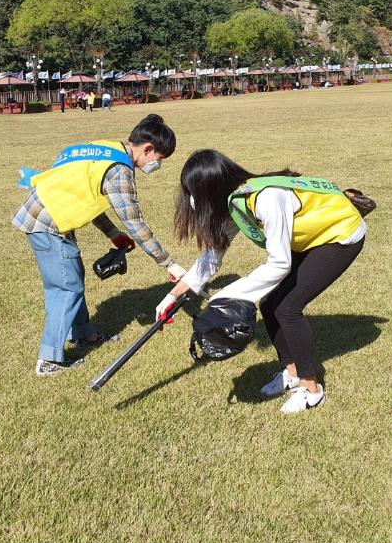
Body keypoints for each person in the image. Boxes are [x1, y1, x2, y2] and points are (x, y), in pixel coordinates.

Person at [154, 150, 366, 413]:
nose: (193, 202)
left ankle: (311, 390)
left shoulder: (266, 198)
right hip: (311, 238)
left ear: (210, 188)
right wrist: (172, 297)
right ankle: (292, 372)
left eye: (193, 193)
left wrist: (229, 295)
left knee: (287, 308)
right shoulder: (235, 200)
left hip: (340, 234)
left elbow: (280, 263)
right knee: (269, 304)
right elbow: (211, 258)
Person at [13, 114, 187, 376]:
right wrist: (169, 264)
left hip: (53, 215)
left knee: (73, 278)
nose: (155, 165)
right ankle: (48, 360)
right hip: (47, 222)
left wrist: (112, 234)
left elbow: (86, 196)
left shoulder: (109, 148)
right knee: (65, 286)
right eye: (158, 160)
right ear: (148, 149)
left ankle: (83, 334)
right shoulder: (119, 169)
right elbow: (135, 223)